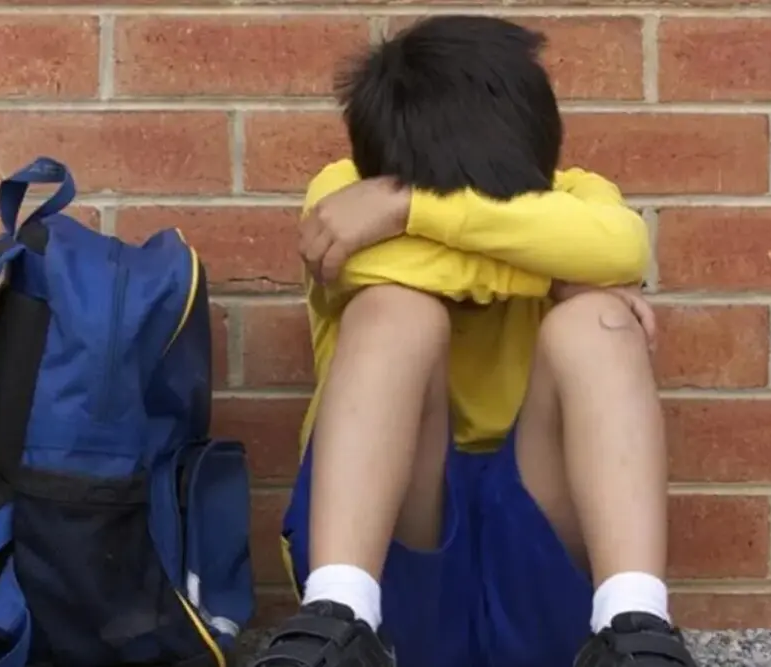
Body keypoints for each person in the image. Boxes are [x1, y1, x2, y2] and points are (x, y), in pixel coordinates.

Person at [248, 15, 700, 667]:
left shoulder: (580, 195)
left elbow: (624, 244)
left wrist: (412, 212)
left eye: (503, 209)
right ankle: (336, 613)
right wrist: (554, 267)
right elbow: (368, 269)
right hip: (395, 558)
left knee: (598, 323)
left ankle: (635, 624)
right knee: (395, 311)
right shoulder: (340, 195)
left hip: (542, 555)